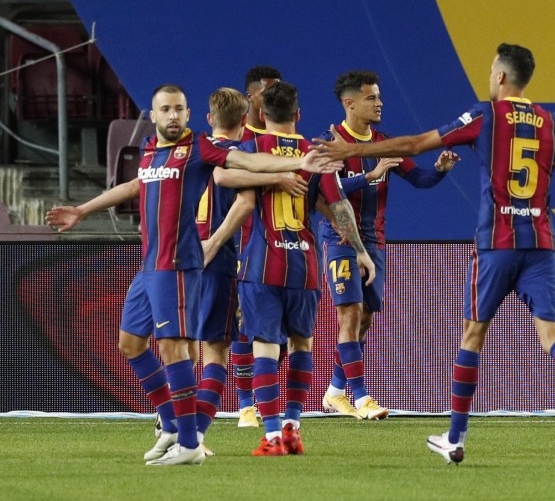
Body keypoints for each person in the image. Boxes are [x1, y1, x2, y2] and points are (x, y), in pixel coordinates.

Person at [316, 43, 555, 463]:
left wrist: (352, 152)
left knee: (472, 337)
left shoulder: (485, 115)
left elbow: (417, 143)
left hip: (497, 244)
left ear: (501, 78)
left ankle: (455, 437)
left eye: (492, 68)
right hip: (542, 244)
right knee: (552, 333)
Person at [45, 84, 339, 466]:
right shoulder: (151, 149)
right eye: (164, 109)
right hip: (149, 264)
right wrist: (82, 210)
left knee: (177, 349)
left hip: (180, 264)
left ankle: (189, 442)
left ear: (190, 114)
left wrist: (295, 163)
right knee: (130, 345)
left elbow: (247, 163)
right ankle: (171, 424)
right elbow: (136, 185)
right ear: (152, 115)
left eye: (178, 109)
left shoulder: (200, 148)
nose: (172, 115)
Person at [210, 81, 375, 456]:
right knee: (302, 346)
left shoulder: (250, 149)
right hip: (305, 265)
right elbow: (340, 209)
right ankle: (293, 428)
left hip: (262, 264)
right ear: (298, 115)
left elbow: (224, 178)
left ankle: (270, 436)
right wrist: (360, 251)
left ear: (261, 116)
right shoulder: (312, 153)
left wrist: (270, 178)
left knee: (265, 349)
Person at [318, 70, 460, 420]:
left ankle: (335, 391)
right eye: (372, 98)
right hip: (340, 239)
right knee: (348, 316)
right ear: (350, 103)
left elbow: (421, 179)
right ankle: (364, 398)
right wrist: (369, 175)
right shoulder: (329, 142)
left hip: (375, 241)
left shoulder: (385, 142)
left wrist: (440, 169)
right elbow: (328, 191)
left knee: (364, 319)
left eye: (379, 97)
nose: (380, 103)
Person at [232, 65, 292, 429]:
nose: (272, 96)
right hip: (246, 246)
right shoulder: (241, 141)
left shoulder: (289, 139)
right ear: (251, 98)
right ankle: (245, 406)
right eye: (266, 90)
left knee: (279, 339)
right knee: (244, 329)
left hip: (287, 251)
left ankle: (261, 400)